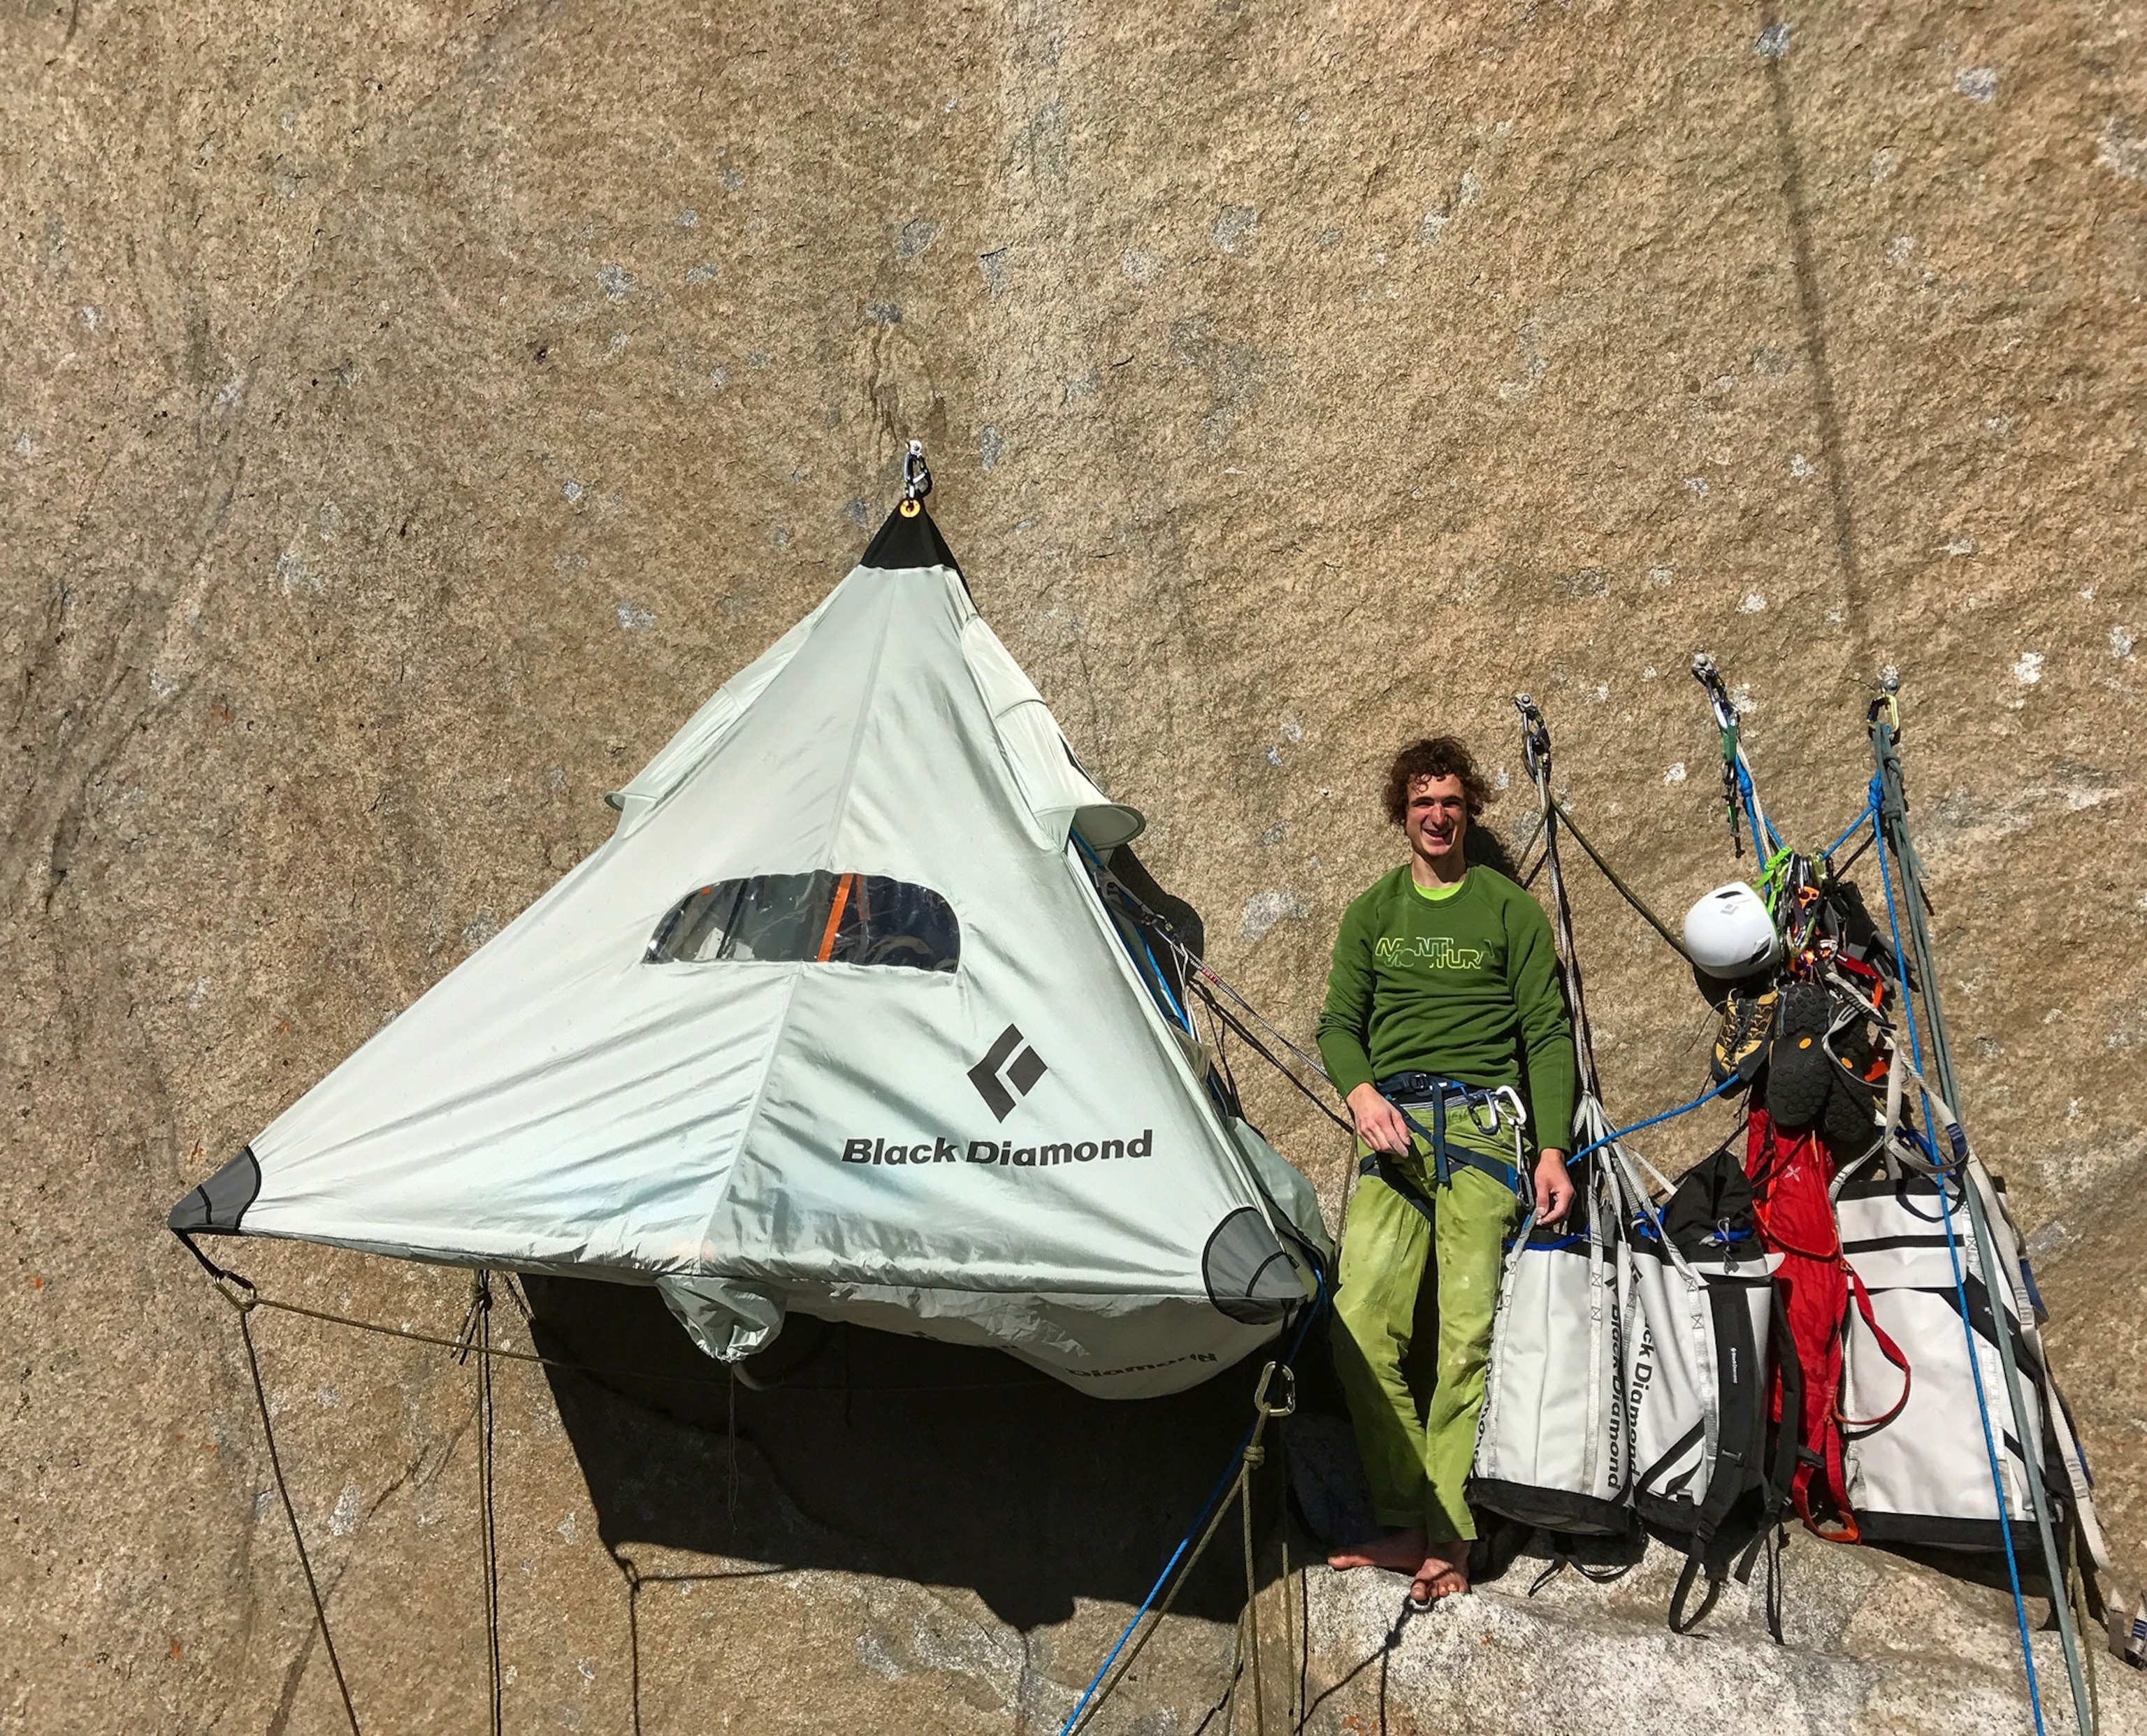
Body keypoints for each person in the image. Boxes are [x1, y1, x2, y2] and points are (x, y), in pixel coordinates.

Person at [1315, 736, 1577, 1605]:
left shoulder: (1509, 912)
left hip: (1482, 1134)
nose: (1438, 816)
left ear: (1470, 813)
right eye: (1423, 802)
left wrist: (1550, 1148)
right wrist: (1360, 1096)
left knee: (1466, 1336)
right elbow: (1338, 1026)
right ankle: (1405, 1518)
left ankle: (1452, 1540)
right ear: (1403, 813)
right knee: (1357, 1321)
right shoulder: (1374, 913)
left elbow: (1545, 1034)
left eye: (1452, 803)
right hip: (1391, 1133)